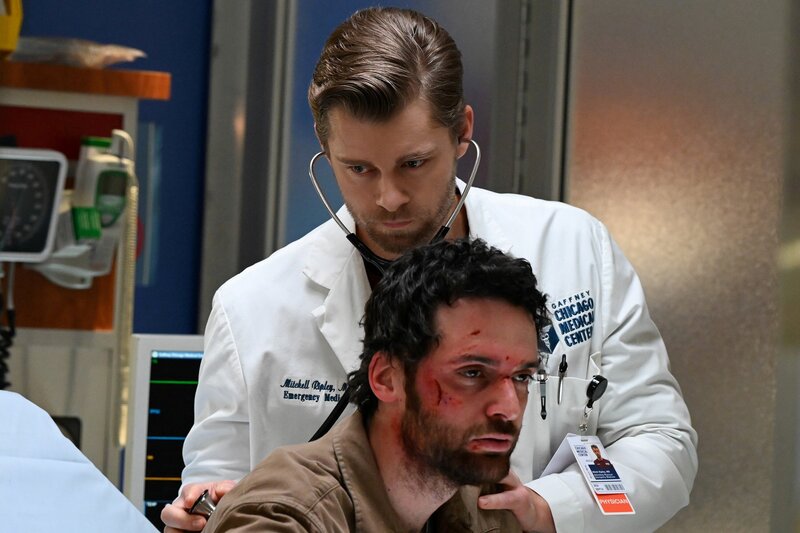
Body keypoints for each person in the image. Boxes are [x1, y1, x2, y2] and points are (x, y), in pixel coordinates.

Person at [163, 6, 697, 533]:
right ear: (325, 150)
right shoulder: (251, 310)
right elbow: (216, 484)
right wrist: (207, 510)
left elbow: (661, 445)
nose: (388, 197)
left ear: (462, 132)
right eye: (358, 168)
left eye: (413, 164)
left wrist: (550, 508)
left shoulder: (573, 250)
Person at [202, 238, 548, 532]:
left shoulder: (488, 503)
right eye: (472, 373)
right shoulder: (284, 516)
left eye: (521, 377)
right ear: (386, 378)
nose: (509, 408)